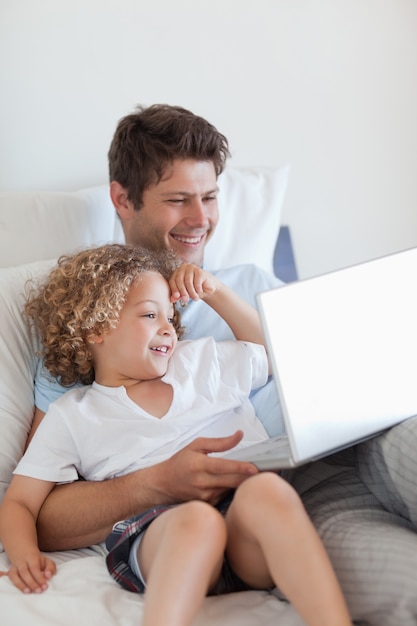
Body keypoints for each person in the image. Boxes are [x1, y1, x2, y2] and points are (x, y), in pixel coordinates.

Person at [24, 104, 417, 625]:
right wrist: (157, 482)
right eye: (178, 200)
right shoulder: (96, 334)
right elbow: (44, 516)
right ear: (123, 198)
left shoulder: (250, 284)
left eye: (209, 197)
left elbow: (316, 364)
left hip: (377, 432)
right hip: (293, 501)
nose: (200, 219)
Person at [0, 244, 353, 626]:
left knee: (269, 492)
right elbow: (20, 502)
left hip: (242, 524)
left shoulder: (201, 360)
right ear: (96, 326)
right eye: (150, 315)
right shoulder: (74, 414)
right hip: (160, 528)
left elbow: (276, 354)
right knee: (197, 522)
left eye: (170, 317)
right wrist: (24, 555)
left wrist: (216, 293)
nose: (168, 327)